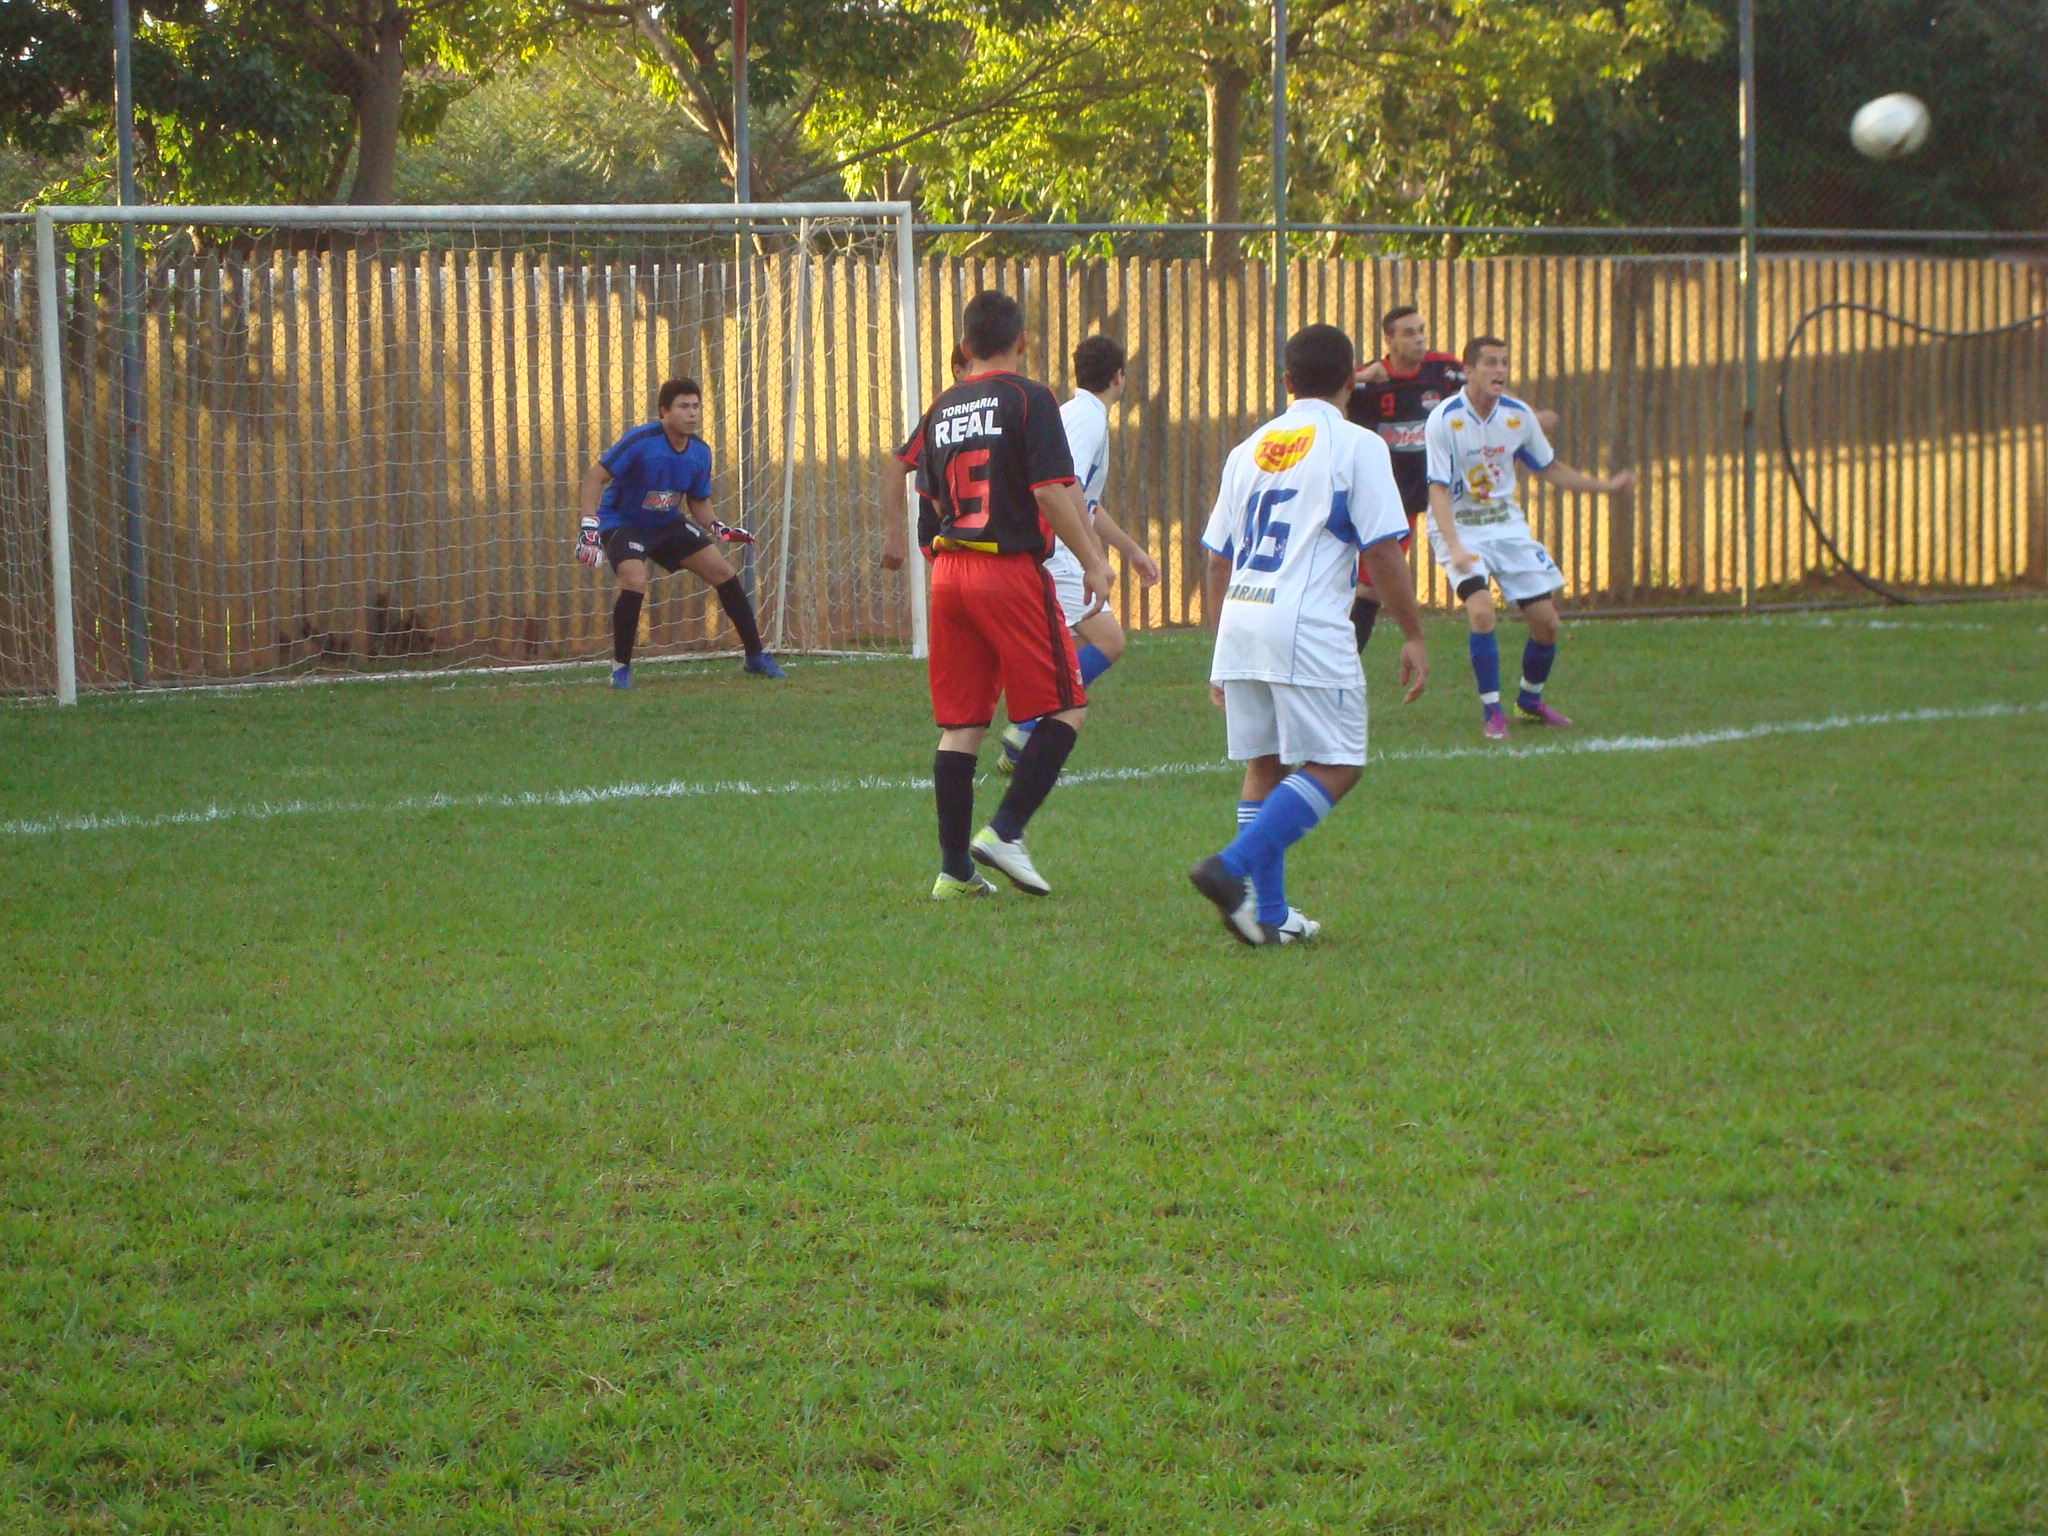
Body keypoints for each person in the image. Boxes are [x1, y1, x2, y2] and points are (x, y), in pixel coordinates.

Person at [1189, 323, 1428, 947]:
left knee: (1265, 762)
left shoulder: (1247, 450)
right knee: (1340, 763)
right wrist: (1413, 633)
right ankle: (1231, 868)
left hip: (1242, 615)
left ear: (1287, 382)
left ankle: (1270, 914)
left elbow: (1216, 558)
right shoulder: (1357, 445)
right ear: (1352, 380)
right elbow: (1383, 549)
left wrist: (1221, 647)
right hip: (1306, 623)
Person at [915, 290, 1115, 900]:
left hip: (949, 571)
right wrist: (1094, 561)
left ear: (965, 345)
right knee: (1067, 705)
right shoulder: (1030, 397)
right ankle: (1005, 832)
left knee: (962, 724)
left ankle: (954, 870)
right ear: (1022, 342)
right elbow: (1052, 490)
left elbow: (929, 501)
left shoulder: (940, 407)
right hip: (1006, 570)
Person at [1423, 336, 1632, 739]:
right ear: (1468, 371)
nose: (1499, 370)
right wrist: (1455, 546)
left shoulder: (1518, 416)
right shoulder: (1444, 419)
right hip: (1459, 527)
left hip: (1507, 526)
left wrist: (1604, 487)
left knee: (1547, 622)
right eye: (1490, 363)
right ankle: (1492, 711)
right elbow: (1437, 489)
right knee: (1481, 611)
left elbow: (1549, 468)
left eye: (1504, 362)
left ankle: (1530, 701)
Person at [1346, 306, 1557, 653]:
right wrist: (1363, 377)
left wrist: (1531, 415)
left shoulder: (1441, 369)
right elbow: (1328, 387)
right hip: (1394, 493)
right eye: (1409, 333)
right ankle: (1348, 662)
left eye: (1421, 330)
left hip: (1442, 489)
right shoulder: (1371, 378)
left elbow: (1485, 385)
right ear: (1389, 340)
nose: (1419, 339)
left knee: (1477, 584)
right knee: (1371, 586)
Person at [998, 334, 1160, 773]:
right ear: (1119, 377)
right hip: (1058, 546)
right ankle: (1026, 729)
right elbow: (1064, 485)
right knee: (1109, 641)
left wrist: (1130, 550)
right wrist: (1093, 558)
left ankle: (1027, 733)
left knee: (1076, 644)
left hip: (1058, 543)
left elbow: (1085, 500)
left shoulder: (1076, 413)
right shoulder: (1088, 419)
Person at [575, 378, 784, 687]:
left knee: (724, 572)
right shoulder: (640, 441)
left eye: (696, 406)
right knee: (635, 580)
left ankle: (755, 656)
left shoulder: (701, 452)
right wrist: (589, 524)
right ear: (664, 411)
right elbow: (595, 477)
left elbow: (698, 502)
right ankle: (621, 668)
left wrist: (719, 528)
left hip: (666, 523)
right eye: (683, 406)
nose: (692, 413)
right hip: (622, 522)